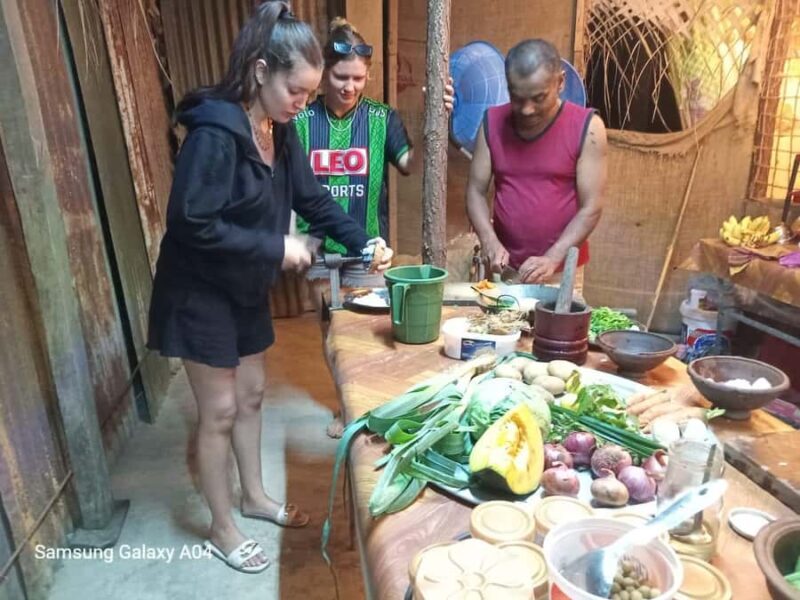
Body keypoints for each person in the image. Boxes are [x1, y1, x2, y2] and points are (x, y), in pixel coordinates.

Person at [146, 2, 392, 574]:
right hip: (198, 292)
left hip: (241, 286)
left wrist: (364, 241)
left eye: (308, 92)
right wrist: (275, 247)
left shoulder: (278, 133)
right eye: (295, 90)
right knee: (220, 411)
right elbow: (190, 223)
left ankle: (254, 497)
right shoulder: (214, 134)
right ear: (261, 71)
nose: (302, 103)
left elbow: (313, 199)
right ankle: (221, 526)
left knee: (252, 394)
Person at [295, 17, 453, 289]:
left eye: (358, 78)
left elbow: (410, 164)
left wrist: (432, 119)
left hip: (368, 253)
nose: (350, 87)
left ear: (368, 75)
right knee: (323, 315)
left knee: (366, 314)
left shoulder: (382, 118)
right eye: (341, 77)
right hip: (314, 252)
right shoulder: (301, 121)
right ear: (323, 72)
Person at [465, 39, 607, 292]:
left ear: (560, 82)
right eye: (517, 98)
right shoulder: (492, 122)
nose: (527, 110)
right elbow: (475, 191)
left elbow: (592, 207)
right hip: (502, 269)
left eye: (538, 98)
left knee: (556, 320)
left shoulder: (588, 128)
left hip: (560, 271)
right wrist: (489, 241)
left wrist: (553, 257)